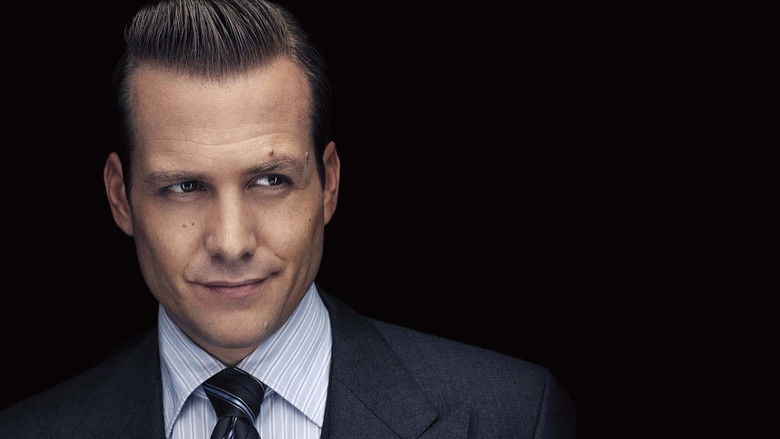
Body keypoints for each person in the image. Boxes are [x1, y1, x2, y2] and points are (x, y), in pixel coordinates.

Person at [0, 1, 575, 438]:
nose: (231, 242)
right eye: (184, 187)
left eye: (270, 180)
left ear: (329, 184)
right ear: (120, 198)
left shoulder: (513, 415)